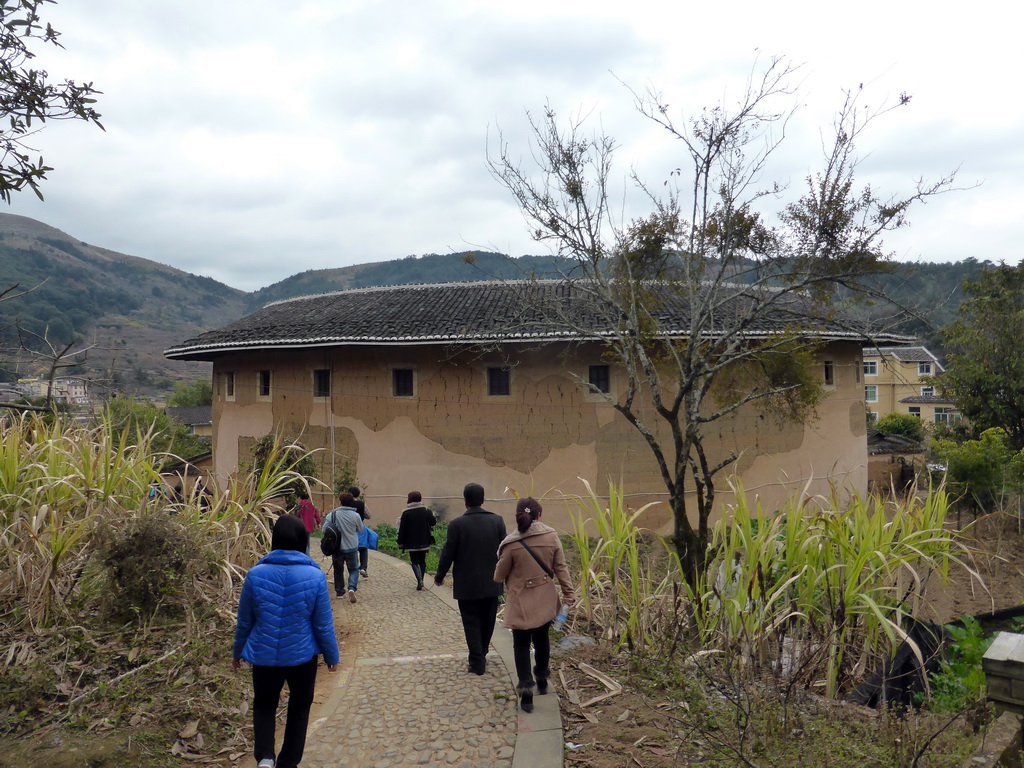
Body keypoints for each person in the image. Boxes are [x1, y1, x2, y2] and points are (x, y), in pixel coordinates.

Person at [232, 514, 340, 768]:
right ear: (303, 540)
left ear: (274, 539)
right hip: (302, 657)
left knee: (264, 706)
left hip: (264, 655)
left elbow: (245, 621)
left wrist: (237, 651)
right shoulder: (314, 577)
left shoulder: (256, 575)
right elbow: (322, 624)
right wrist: (332, 656)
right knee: (300, 708)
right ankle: (288, 762)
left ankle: (265, 758)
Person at [493, 497, 575, 712]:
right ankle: (541, 677)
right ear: (539, 515)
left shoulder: (510, 544)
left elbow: (499, 576)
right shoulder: (551, 536)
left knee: (520, 644)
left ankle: (526, 692)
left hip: (520, 601)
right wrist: (569, 593)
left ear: (517, 516)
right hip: (545, 599)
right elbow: (561, 567)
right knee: (542, 640)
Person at [433, 483, 506, 675]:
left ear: (465, 501)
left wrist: (439, 576)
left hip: (467, 584)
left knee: (471, 622)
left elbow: (448, 553)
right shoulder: (497, 521)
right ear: (483, 500)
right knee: (488, 620)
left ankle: (477, 660)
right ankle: (482, 653)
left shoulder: (456, 524)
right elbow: (505, 553)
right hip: (493, 582)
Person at [323, 491, 364, 603]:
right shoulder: (355, 516)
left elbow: (324, 530)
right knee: (354, 569)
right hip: (352, 547)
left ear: (340, 502)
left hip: (337, 548)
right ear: (352, 502)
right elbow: (360, 529)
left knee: (338, 569)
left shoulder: (333, 515)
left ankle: (340, 591)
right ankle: (351, 587)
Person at [396, 491, 435, 590]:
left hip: (411, 541)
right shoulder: (426, 510)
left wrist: (400, 541)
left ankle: (419, 581)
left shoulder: (406, 512)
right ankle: (421, 580)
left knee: (414, 561)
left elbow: (402, 529)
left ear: (409, 499)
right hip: (424, 539)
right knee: (422, 561)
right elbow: (433, 522)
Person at [349, 486, 372, 578]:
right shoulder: (362, 504)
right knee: (363, 548)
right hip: (360, 528)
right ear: (358, 494)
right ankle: (363, 567)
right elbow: (369, 516)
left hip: (349, 528)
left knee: (353, 548)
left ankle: (354, 568)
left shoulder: (346, 503)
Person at [294, 490, 321, 555]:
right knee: (307, 540)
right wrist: (318, 523)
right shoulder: (312, 505)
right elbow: (316, 515)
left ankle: (305, 554)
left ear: (301, 498)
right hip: (309, 525)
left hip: (300, 526)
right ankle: (307, 554)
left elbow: (296, 516)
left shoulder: (299, 506)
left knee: (302, 541)